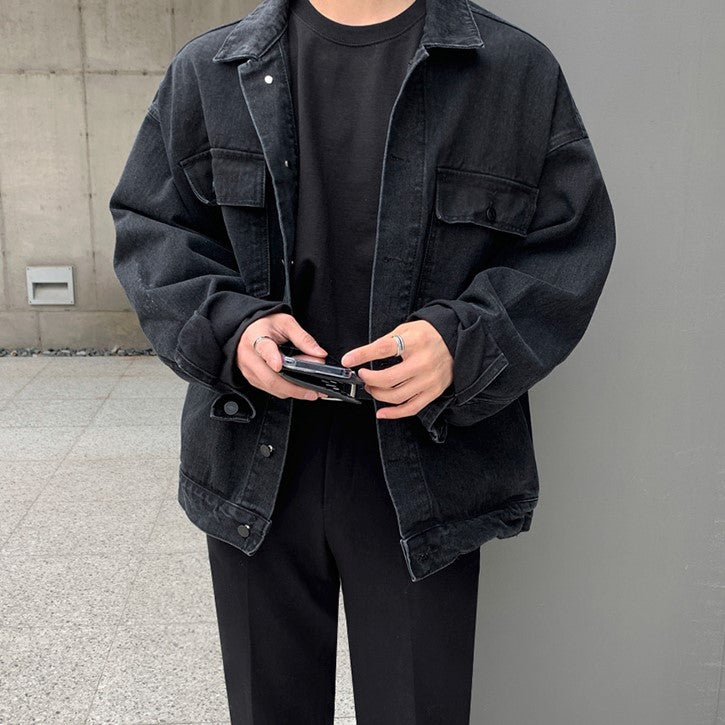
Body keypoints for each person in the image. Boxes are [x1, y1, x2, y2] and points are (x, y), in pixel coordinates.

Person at [110, 0, 616, 722]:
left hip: (426, 466)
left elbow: (570, 245)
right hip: (258, 458)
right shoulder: (211, 69)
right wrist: (234, 330)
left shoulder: (510, 69)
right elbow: (153, 229)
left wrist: (460, 343)